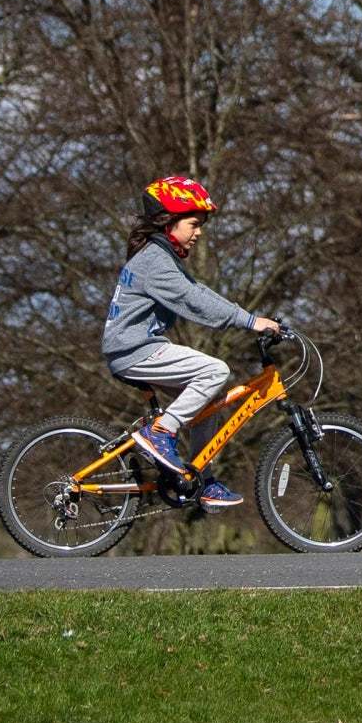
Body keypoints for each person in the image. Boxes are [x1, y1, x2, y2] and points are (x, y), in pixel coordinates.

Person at [101, 175, 281, 509]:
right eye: (193, 224)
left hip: (135, 348)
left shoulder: (161, 256)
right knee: (216, 371)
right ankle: (161, 432)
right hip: (135, 350)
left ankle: (203, 479)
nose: (199, 233)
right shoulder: (155, 260)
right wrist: (251, 322)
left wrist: (247, 317)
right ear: (169, 221)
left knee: (209, 399)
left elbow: (197, 292)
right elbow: (192, 301)